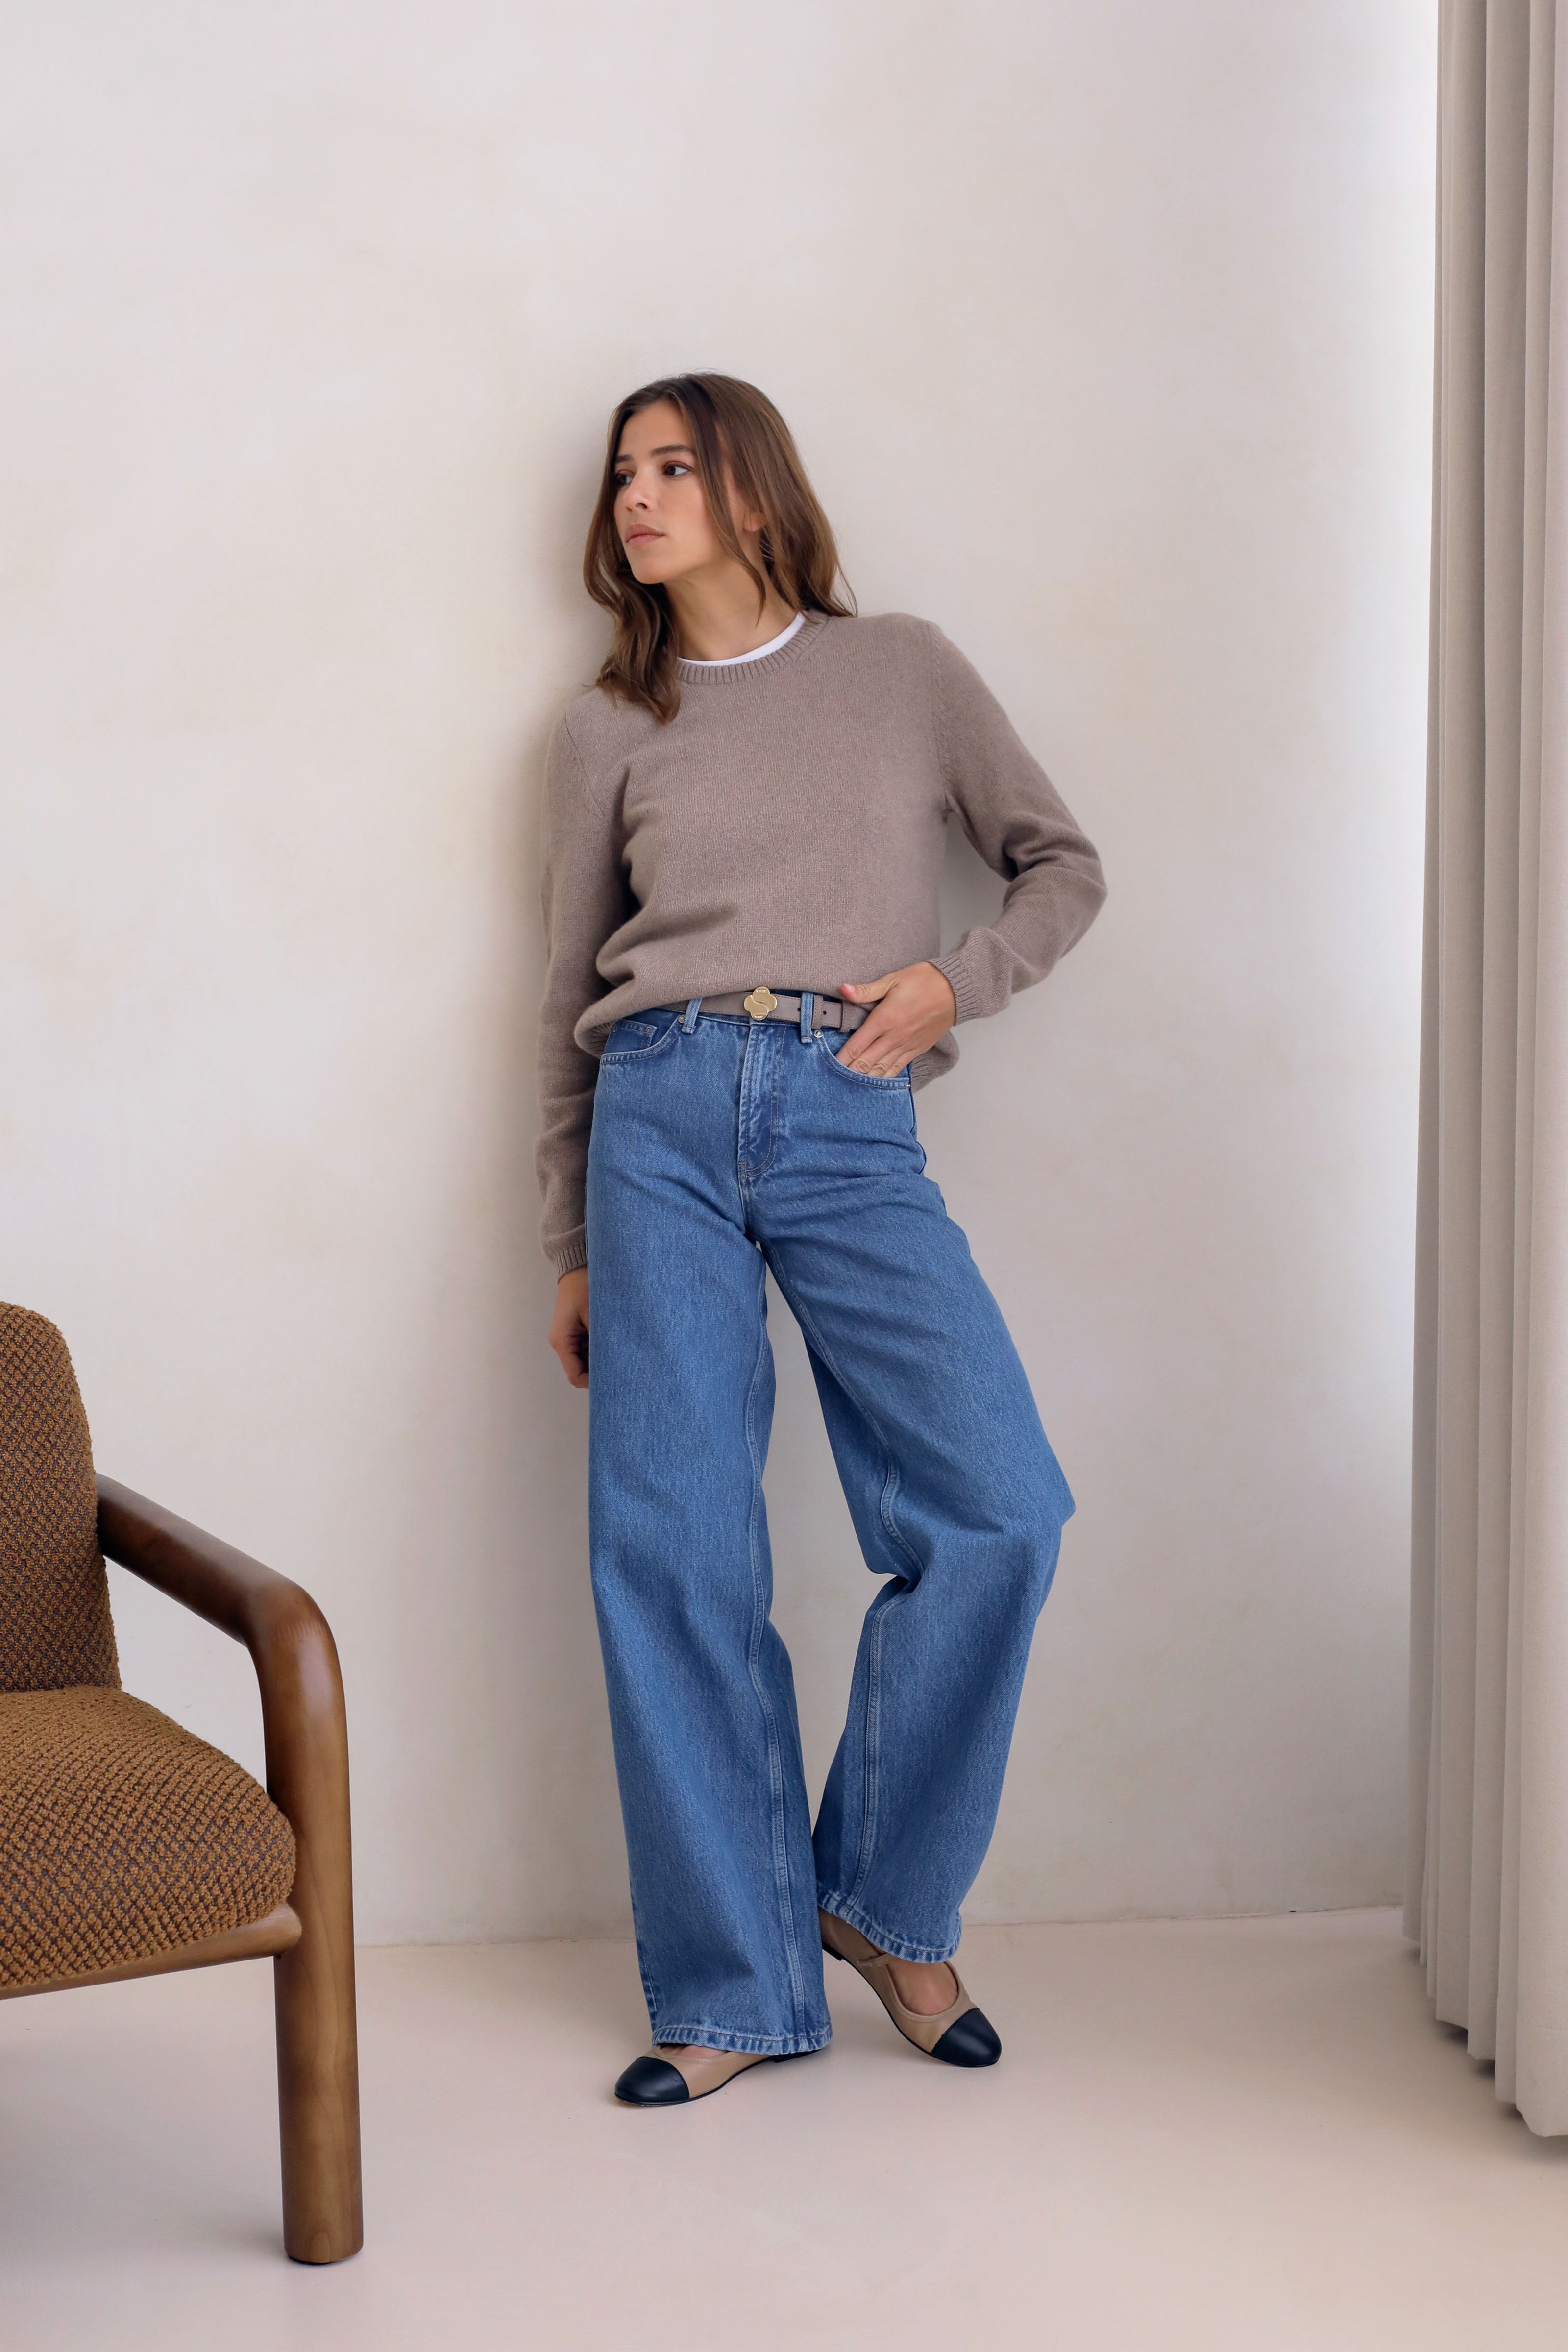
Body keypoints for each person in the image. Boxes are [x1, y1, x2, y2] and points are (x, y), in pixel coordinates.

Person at [537, 373, 1105, 2106]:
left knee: (1002, 1509)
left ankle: (875, 1899)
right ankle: (734, 1986)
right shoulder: (606, 730)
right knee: (675, 1549)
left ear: (756, 490)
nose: (638, 497)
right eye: (623, 473)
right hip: (653, 1119)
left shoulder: (902, 671)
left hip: (849, 1109)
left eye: (674, 466)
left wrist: (955, 984)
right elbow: (560, 1002)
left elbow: (1060, 867)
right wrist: (566, 1236)